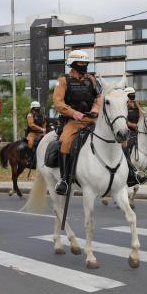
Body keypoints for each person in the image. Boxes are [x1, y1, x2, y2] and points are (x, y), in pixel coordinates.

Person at [52, 50, 101, 195]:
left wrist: (96, 108)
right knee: (65, 141)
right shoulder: (63, 80)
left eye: (86, 63)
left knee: (117, 136)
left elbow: (99, 96)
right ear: (73, 64)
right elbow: (58, 102)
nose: (84, 65)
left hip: (92, 119)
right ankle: (64, 180)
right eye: (81, 63)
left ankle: (130, 172)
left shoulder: (92, 79)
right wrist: (73, 113)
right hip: (73, 121)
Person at [25, 100, 47, 167]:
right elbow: (31, 124)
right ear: (32, 109)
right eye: (35, 108)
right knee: (30, 143)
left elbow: (44, 123)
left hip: (41, 133)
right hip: (32, 133)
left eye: (38, 108)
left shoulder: (42, 115)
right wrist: (41, 129)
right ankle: (29, 160)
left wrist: (44, 130)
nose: (36, 110)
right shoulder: (30, 115)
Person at [124, 86, 141, 156]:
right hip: (127, 131)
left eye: (133, 94)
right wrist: (132, 125)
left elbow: (141, 116)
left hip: (137, 129)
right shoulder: (124, 105)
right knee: (129, 144)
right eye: (131, 94)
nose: (133, 96)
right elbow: (123, 120)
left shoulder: (136, 104)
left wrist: (138, 106)